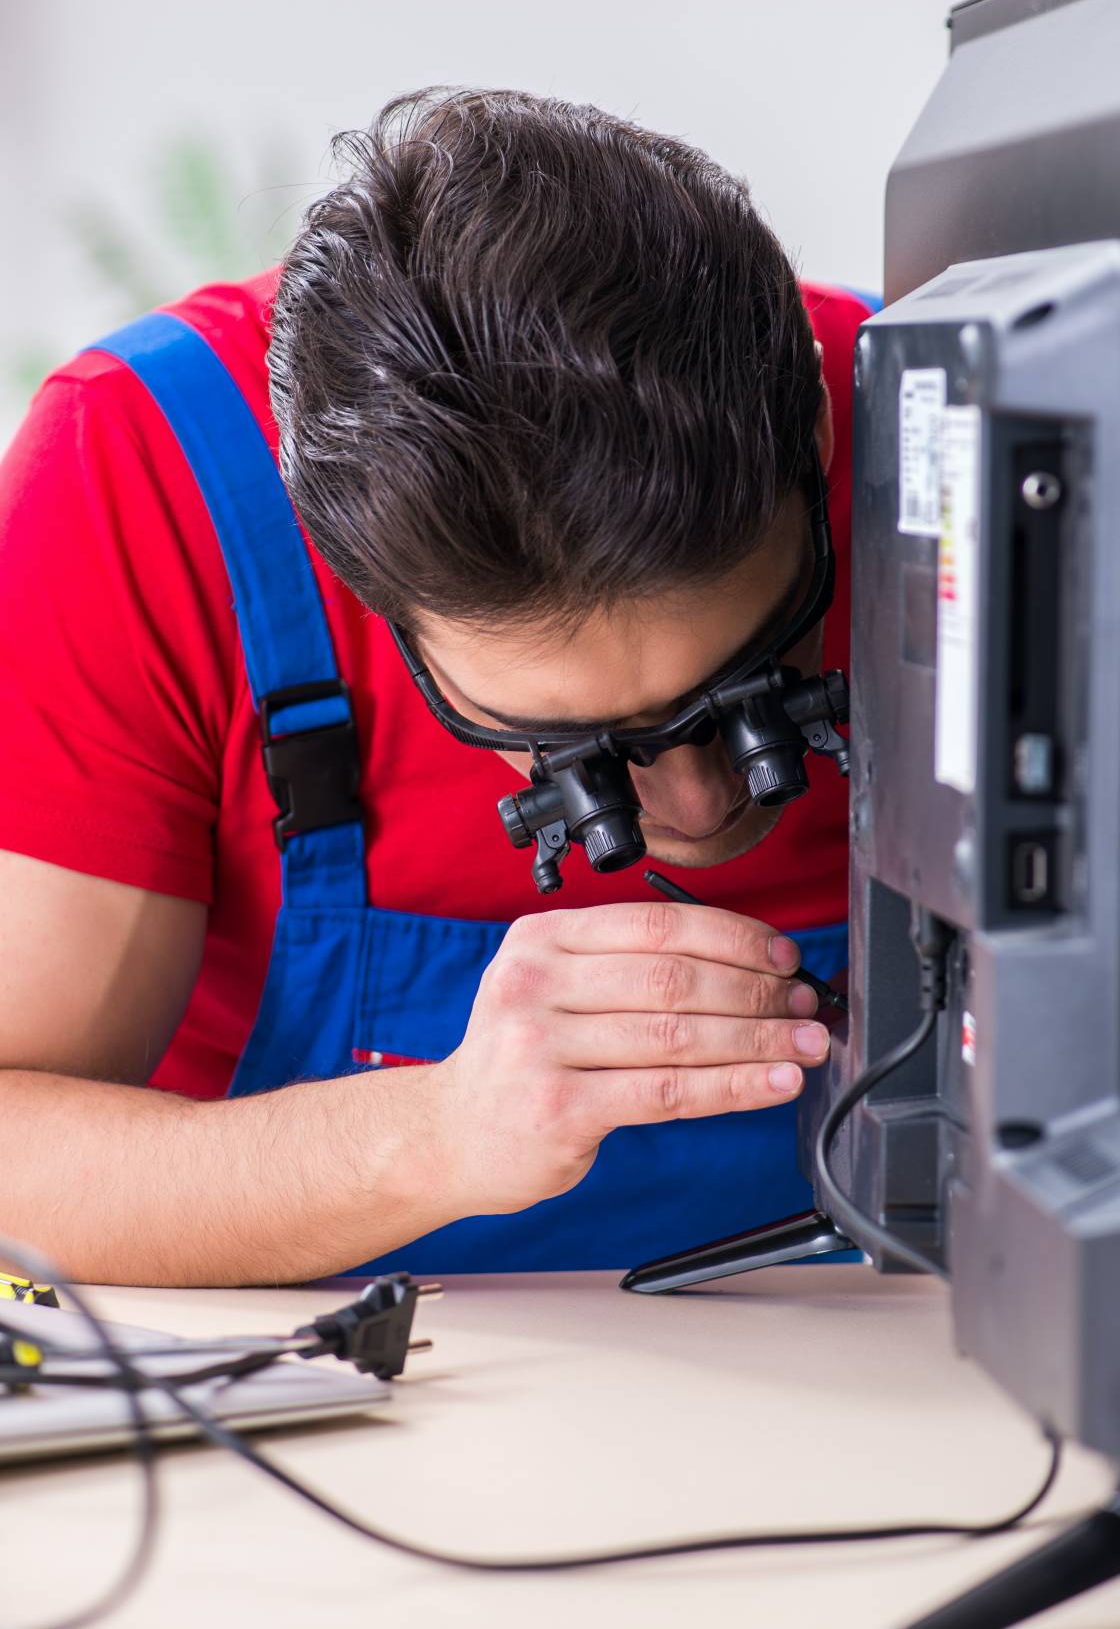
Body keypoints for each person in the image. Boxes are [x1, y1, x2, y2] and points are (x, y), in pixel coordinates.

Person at [0, 89, 874, 1286]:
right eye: (574, 758)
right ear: (357, 584)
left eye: (749, 687)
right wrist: (437, 1133)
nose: (697, 807)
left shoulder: (936, 421)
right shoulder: (145, 472)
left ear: (819, 436)